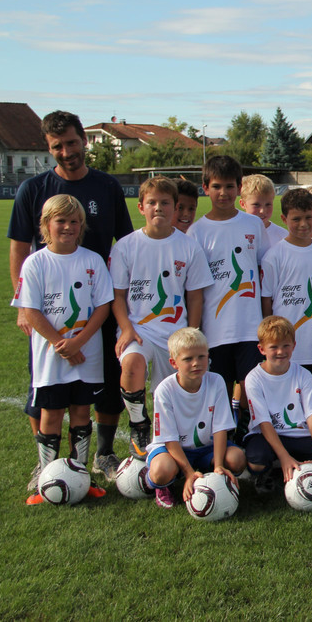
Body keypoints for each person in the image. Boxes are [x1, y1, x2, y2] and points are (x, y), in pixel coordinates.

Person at [8, 110, 133, 485]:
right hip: (49, 312)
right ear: (49, 148)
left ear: (84, 141)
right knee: (45, 387)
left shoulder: (107, 186)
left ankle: (104, 454)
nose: (66, 151)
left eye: (72, 143)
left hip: (100, 305)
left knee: (106, 383)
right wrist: (23, 306)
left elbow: (126, 245)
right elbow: (19, 248)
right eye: (57, 146)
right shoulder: (33, 189)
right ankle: (45, 465)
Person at [13, 195, 113, 503]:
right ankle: (45, 478)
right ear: (45, 224)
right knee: (51, 413)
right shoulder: (35, 262)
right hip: (51, 357)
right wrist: (62, 345)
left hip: (86, 354)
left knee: (82, 411)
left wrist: (77, 343)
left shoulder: (92, 261)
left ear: (82, 225)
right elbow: (31, 310)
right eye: (61, 221)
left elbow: (103, 307)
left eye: (74, 221)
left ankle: (80, 475)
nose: (68, 227)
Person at [109, 177, 212, 460]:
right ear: (141, 207)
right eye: (152, 202)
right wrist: (126, 329)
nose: (158, 208)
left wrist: (192, 332)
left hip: (174, 333)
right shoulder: (126, 246)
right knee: (131, 364)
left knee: (170, 391)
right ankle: (139, 425)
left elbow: (195, 296)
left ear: (175, 207)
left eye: (165, 203)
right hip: (138, 329)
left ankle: (169, 438)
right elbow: (118, 296)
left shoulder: (188, 246)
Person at [187, 155, 268, 421]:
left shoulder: (253, 224)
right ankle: (222, 434)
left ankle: (245, 431)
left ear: (239, 187)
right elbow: (194, 288)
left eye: (229, 186)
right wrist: (195, 328)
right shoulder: (197, 232)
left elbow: (263, 270)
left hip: (249, 325)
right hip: (215, 328)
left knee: (250, 388)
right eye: (217, 186)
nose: (223, 193)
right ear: (205, 187)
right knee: (218, 390)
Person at [242, 316, 312, 492]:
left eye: (286, 346)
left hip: (299, 434)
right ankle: (271, 473)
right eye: (273, 347)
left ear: (294, 345)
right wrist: (283, 456)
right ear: (262, 349)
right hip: (266, 435)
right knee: (257, 460)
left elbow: (311, 416)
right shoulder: (254, 378)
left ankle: (301, 466)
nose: (280, 351)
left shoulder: (303, 374)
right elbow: (264, 423)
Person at [144, 327, 246, 508]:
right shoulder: (165, 390)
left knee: (237, 459)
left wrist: (219, 467)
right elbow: (169, 439)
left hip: (206, 448)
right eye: (188, 359)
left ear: (208, 356)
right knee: (162, 470)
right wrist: (188, 472)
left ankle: (209, 473)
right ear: (173, 362)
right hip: (172, 449)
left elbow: (220, 428)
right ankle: (160, 485)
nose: (196, 363)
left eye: (201, 357)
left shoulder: (216, 381)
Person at [260, 188, 312, 397]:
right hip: (287, 346)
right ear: (284, 219)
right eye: (296, 219)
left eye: (308, 217)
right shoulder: (274, 256)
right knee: (290, 399)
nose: (303, 224)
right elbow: (267, 301)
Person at [240, 174, 286, 249]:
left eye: (268, 204)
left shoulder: (283, 236)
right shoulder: (235, 232)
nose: (262, 211)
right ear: (243, 204)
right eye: (256, 205)